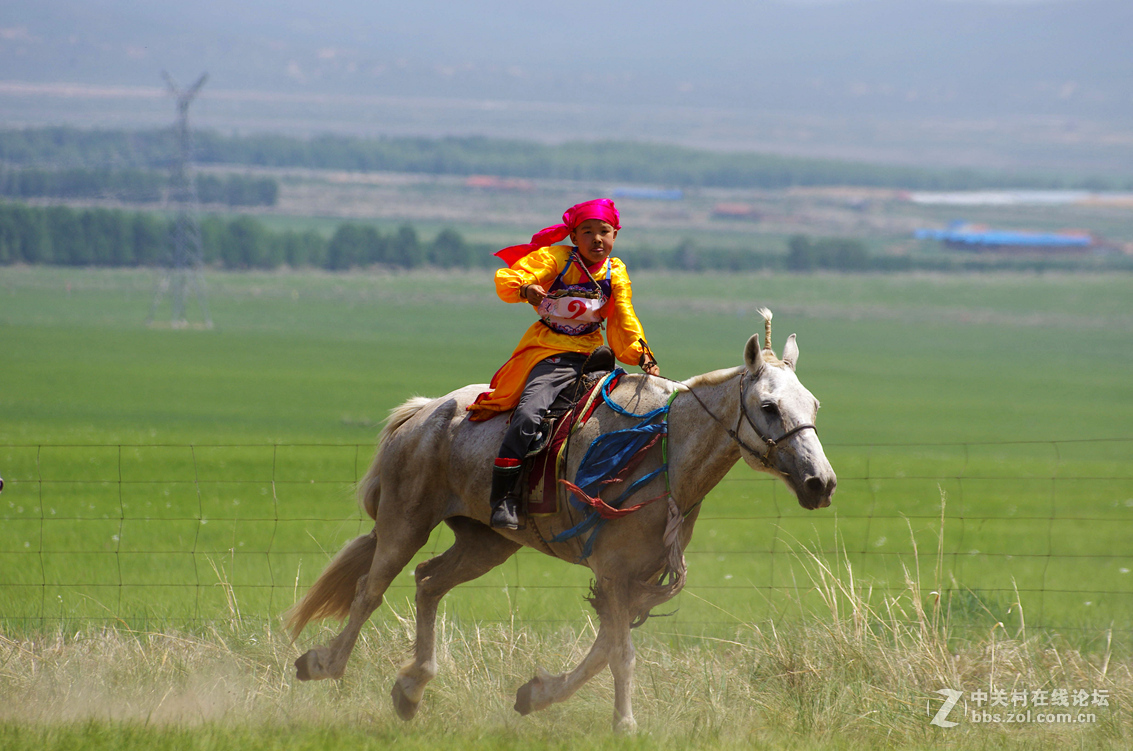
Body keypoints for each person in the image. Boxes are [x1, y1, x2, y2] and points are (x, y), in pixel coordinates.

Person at [468, 198, 660, 529]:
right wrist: (526, 289)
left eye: (604, 232)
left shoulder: (616, 271)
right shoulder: (556, 259)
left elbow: (623, 316)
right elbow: (515, 277)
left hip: (593, 354)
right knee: (529, 414)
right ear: (573, 237)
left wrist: (641, 353)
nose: (597, 239)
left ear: (615, 235)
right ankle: (503, 498)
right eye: (587, 232)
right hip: (550, 351)